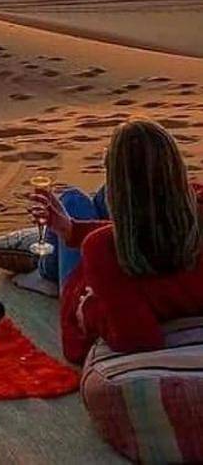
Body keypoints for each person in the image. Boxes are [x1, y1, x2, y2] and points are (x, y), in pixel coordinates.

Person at [33, 119, 203, 364]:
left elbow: (138, 338)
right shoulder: (192, 210)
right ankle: (67, 232)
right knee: (99, 198)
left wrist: (89, 311)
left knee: (73, 200)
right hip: (142, 247)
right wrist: (74, 230)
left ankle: (43, 266)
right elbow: (156, 230)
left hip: (89, 284)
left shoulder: (102, 248)